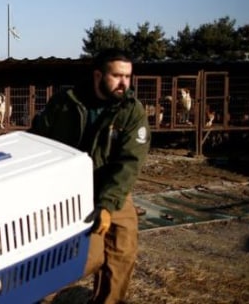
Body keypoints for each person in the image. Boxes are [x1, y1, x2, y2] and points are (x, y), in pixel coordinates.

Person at [29, 48, 150, 304]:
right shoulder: (65, 103)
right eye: (117, 76)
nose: (124, 83)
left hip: (111, 188)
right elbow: (37, 141)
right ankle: (35, 295)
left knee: (122, 251)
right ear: (98, 75)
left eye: (128, 77)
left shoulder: (131, 110)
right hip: (68, 191)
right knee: (83, 257)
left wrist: (107, 204)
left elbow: (129, 163)